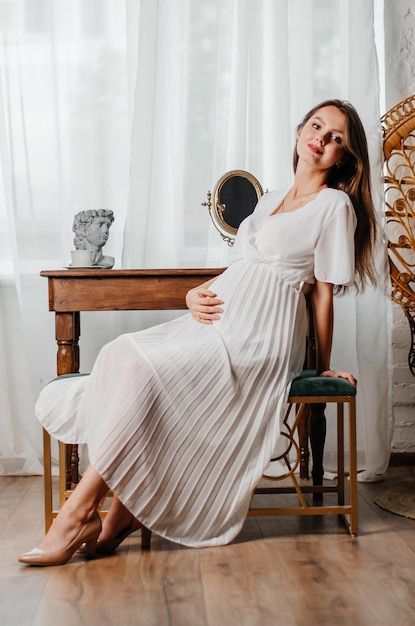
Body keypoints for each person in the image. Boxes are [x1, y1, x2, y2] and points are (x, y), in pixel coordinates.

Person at [19, 99, 378, 566]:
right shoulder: (269, 200)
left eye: (336, 139)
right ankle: (123, 509)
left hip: (261, 335)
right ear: (297, 132)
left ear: (344, 158)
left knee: (150, 373)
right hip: (217, 319)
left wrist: (320, 364)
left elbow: (323, 294)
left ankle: (78, 513)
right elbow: (241, 268)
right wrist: (193, 295)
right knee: (122, 354)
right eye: (316, 126)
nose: (322, 139)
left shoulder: (334, 206)